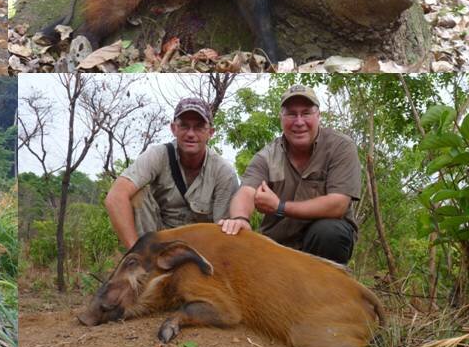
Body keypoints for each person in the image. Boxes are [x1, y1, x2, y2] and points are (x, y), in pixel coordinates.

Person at [220, 84, 361, 264]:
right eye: (292, 114)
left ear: (318, 116)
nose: (299, 121)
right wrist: (240, 218)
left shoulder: (340, 147)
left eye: (306, 113)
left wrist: (280, 207)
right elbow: (247, 191)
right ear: (281, 118)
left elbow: (338, 205)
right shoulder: (267, 156)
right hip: (277, 245)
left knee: (328, 232)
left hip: (324, 241)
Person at [105, 97, 239, 249]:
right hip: (158, 243)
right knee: (135, 195)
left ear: (211, 132)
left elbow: (223, 231)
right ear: (173, 128)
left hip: (202, 249)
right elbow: (115, 197)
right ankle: (143, 259)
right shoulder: (157, 155)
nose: (190, 134)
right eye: (184, 126)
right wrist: (136, 253)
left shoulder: (224, 173)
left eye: (199, 127)